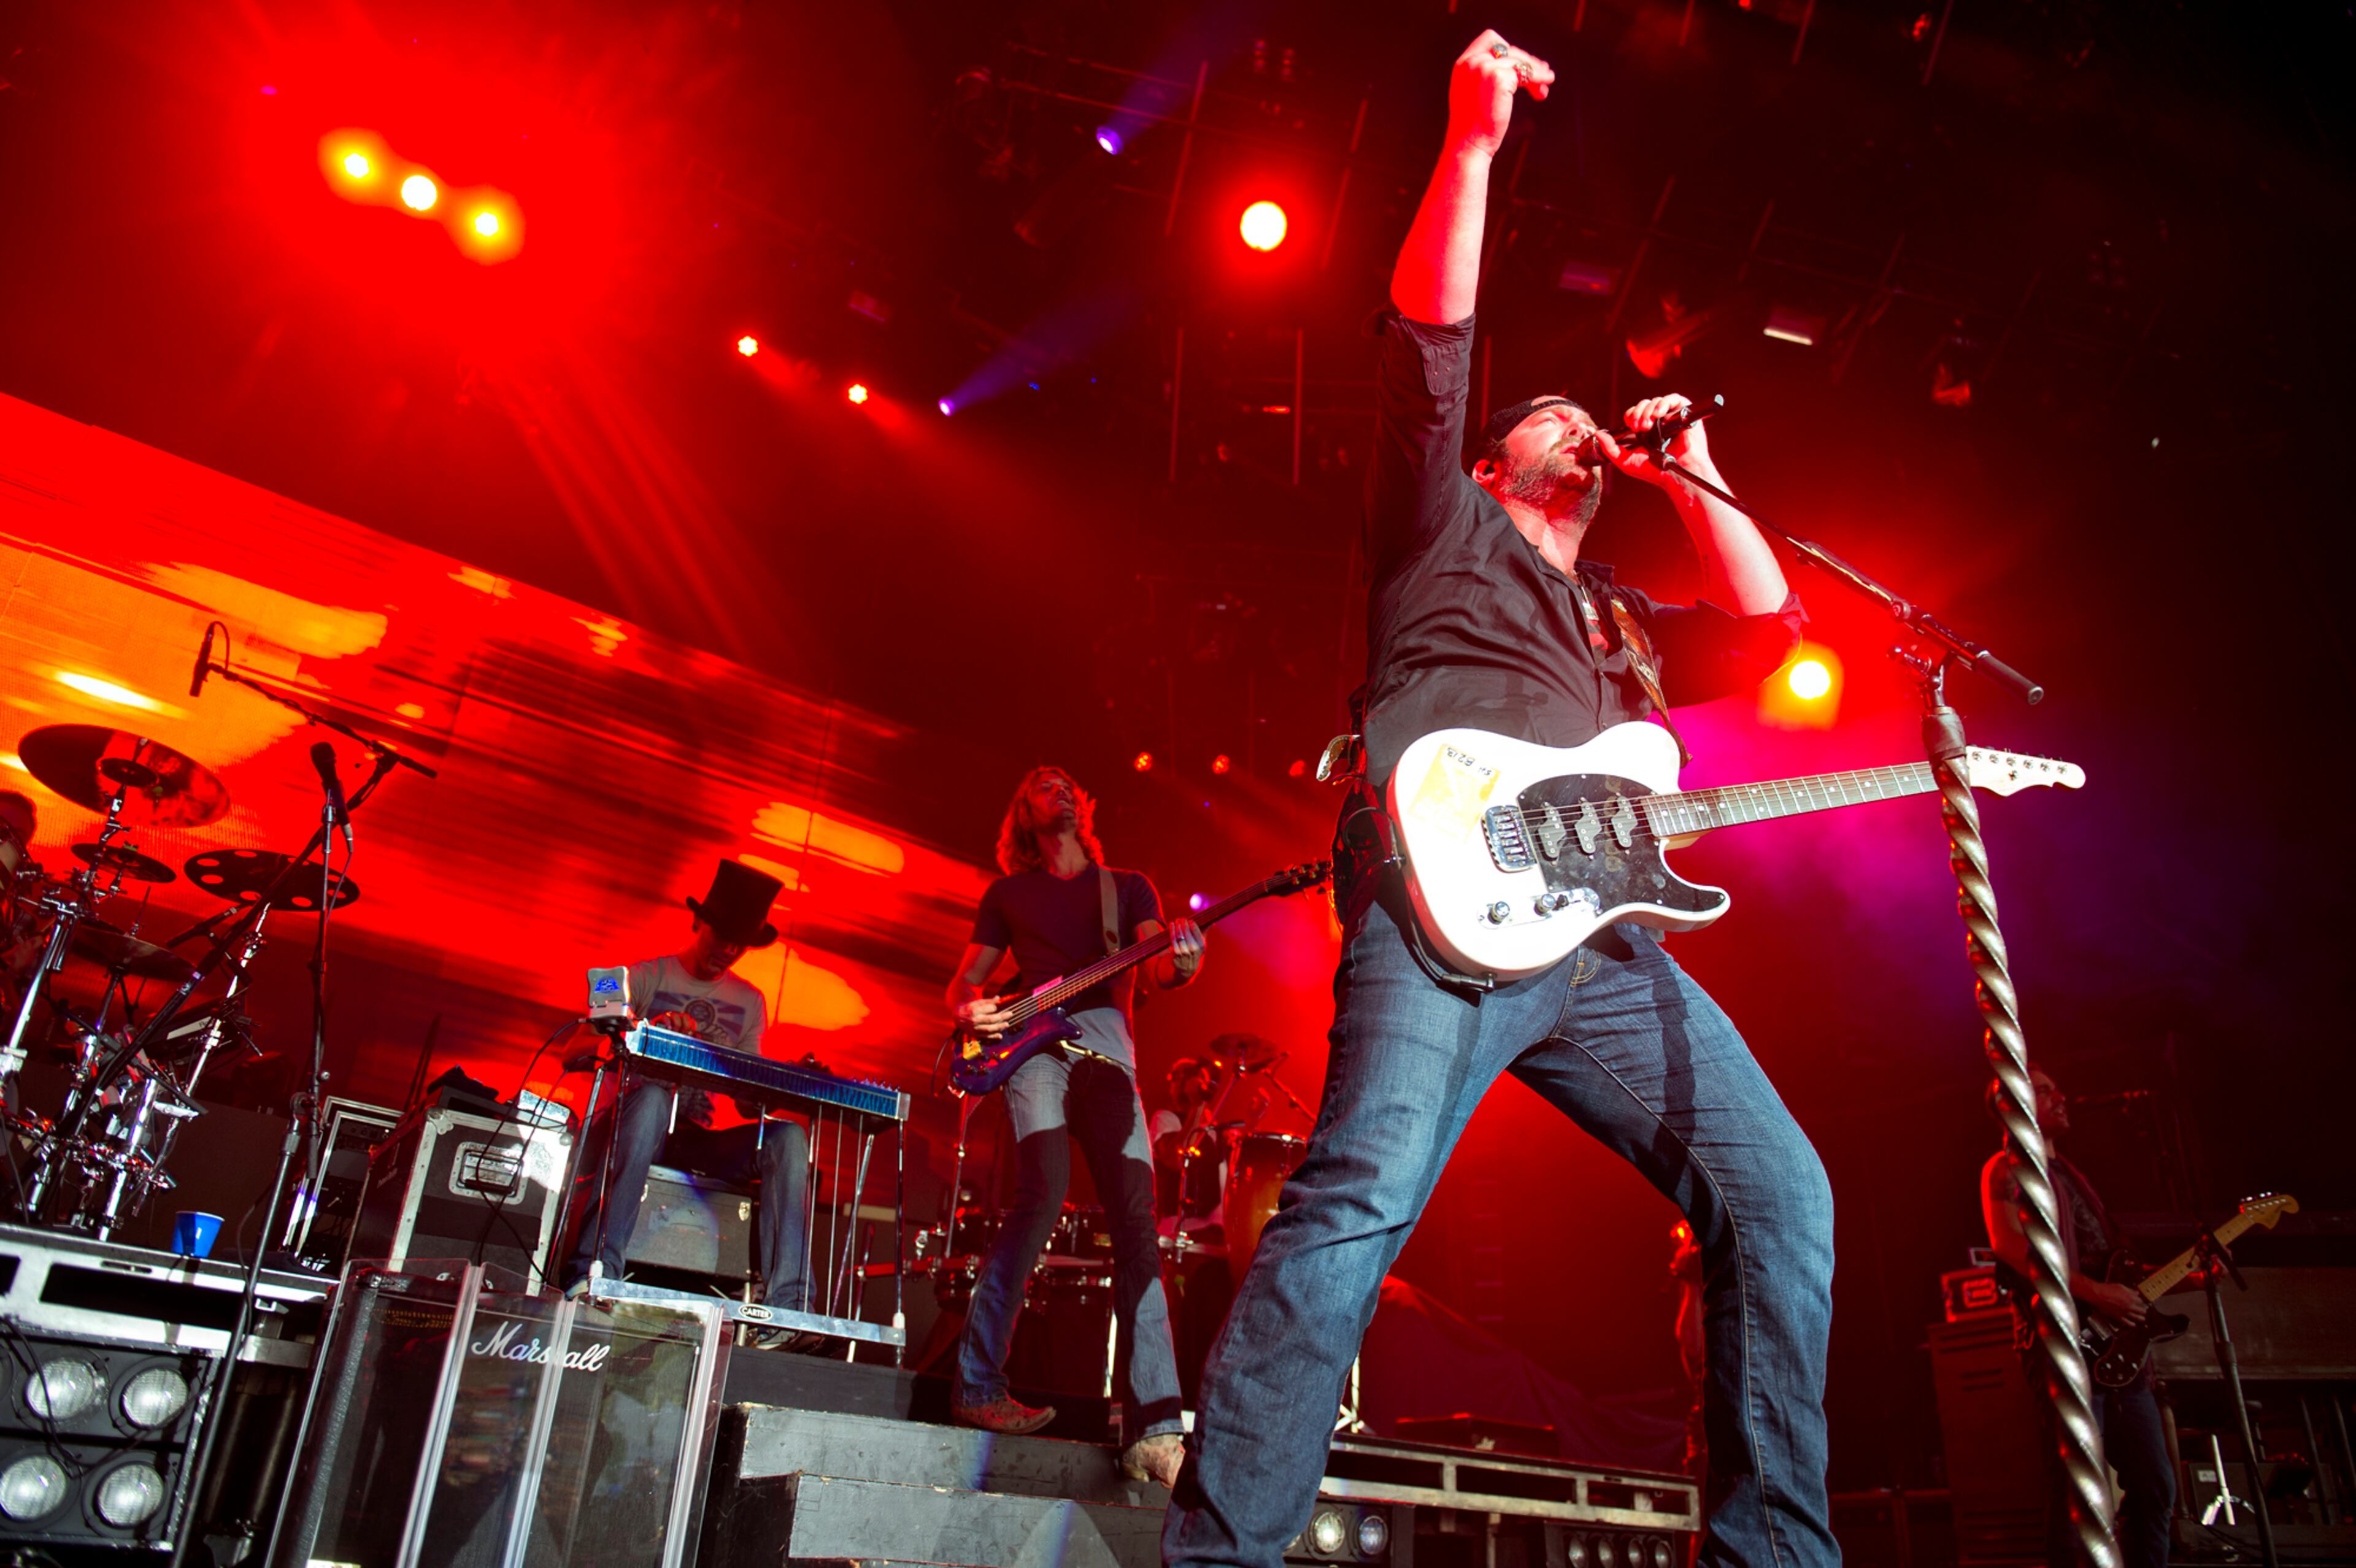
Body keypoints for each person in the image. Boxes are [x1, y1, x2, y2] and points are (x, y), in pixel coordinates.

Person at [1166, 31, 1836, 1568]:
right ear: (1485, 464)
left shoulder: (1617, 616)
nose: (1571, 425)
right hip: (1442, 914)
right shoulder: (1437, 535)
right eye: (1544, 413)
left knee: (1779, 1195)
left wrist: (1694, 465)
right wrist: (1467, 149)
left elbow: (1769, 625)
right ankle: (1219, 1553)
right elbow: (1428, 341)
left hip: (1606, 953)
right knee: (1353, 1204)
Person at [945, 765, 1204, 1486]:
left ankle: (1153, 1429)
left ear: (1082, 806)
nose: (1058, 787)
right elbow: (964, 985)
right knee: (1042, 1195)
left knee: (1136, 1224)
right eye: (1039, 783)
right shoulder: (1008, 895)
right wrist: (970, 1009)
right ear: (1022, 814)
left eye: (1066, 782)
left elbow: (1159, 972)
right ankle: (977, 1386)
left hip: (1111, 1061)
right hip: (1034, 1055)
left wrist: (1182, 960)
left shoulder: (1127, 889)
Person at [561, 859, 812, 1348]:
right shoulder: (636, 975)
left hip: (696, 1140)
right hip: (631, 1126)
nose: (730, 951)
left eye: (742, 944)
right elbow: (571, 1050)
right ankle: (592, 1272)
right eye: (723, 936)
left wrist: (787, 1081)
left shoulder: (752, 1001)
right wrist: (638, 1031)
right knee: (653, 1098)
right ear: (698, 921)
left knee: (790, 1139)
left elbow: (747, 1106)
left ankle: (787, 1310)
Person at [1981, 1067, 2179, 1568]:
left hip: (2121, 1353)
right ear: (2013, 1105)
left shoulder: (2075, 1175)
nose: (2062, 1097)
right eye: (2045, 1091)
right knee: (2076, 1494)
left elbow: (2111, 1262)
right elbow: (2009, 1247)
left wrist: (2191, 1275)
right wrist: (2097, 1294)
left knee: (2155, 1485)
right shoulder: (2005, 1169)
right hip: (2065, 1344)